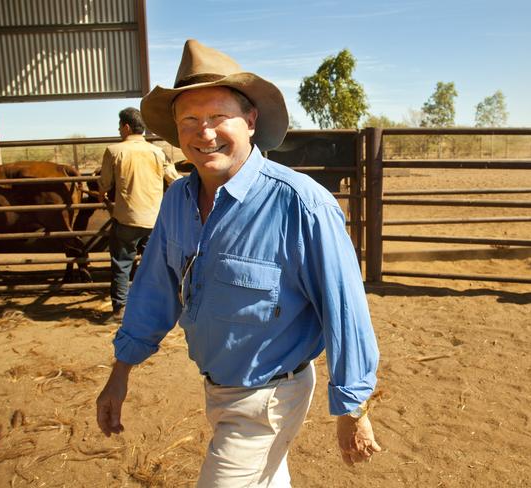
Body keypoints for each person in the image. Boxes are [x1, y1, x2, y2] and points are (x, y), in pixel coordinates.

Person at [96, 39, 380, 486]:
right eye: (189, 120)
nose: (204, 132)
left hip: (269, 397)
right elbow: (154, 292)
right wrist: (120, 373)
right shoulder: (177, 200)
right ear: (175, 129)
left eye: (217, 117)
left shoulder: (301, 205)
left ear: (250, 121)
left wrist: (352, 407)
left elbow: (344, 310)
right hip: (220, 388)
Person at [98, 107, 181, 321]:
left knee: (121, 264)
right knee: (158, 265)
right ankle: (162, 306)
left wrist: (101, 194)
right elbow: (174, 180)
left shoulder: (114, 151)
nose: (119, 130)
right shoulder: (157, 152)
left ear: (126, 127)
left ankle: (119, 309)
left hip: (127, 219)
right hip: (155, 220)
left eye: (119, 126)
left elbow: (105, 184)